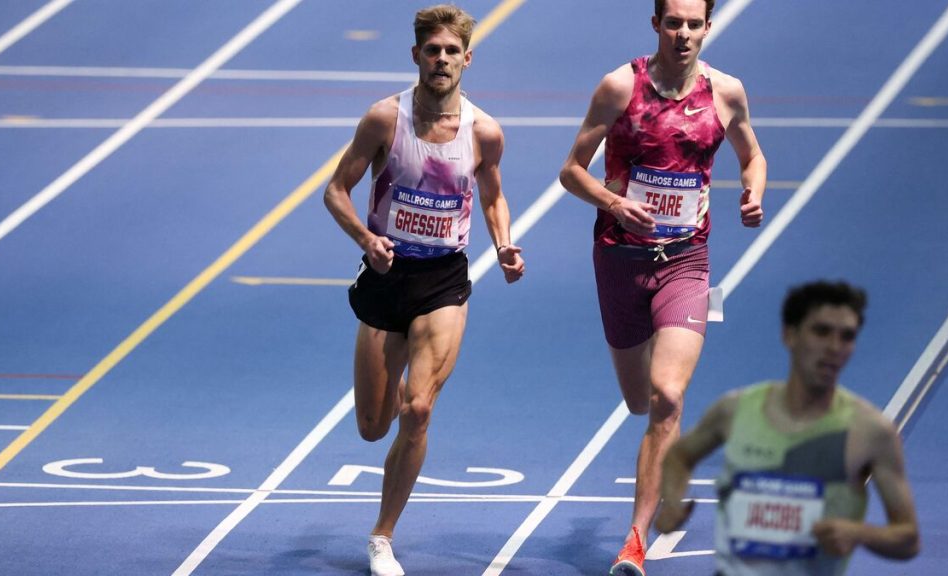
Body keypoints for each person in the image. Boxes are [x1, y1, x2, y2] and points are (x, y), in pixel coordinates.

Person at [557, 0, 766, 573]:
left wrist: (753, 192)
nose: (682, 33)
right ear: (656, 25)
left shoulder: (726, 93)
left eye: (693, 23)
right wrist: (613, 203)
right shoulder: (619, 87)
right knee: (637, 400)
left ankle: (634, 542)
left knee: (667, 397)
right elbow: (571, 170)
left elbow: (753, 155)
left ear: (707, 27)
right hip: (620, 259)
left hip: (686, 260)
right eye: (672, 22)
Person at [323, 5, 525, 576]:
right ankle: (383, 438)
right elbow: (336, 190)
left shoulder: (484, 131)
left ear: (467, 58)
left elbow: (491, 197)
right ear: (416, 56)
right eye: (431, 50)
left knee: (418, 408)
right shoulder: (384, 120)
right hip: (387, 276)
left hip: (443, 278)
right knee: (373, 425)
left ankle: (382, 537)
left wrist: (504, 243)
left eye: (451, 51)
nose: (441, 60)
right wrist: (366, 237)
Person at [655, 280, 920, 575]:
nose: (834, 347)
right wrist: (672, 503)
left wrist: (859, 533)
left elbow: (907, 537)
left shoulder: (871, 432)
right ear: (789, 335)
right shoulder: (734, 410)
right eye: (821, 332)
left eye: (846, 337)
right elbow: (680, 455)